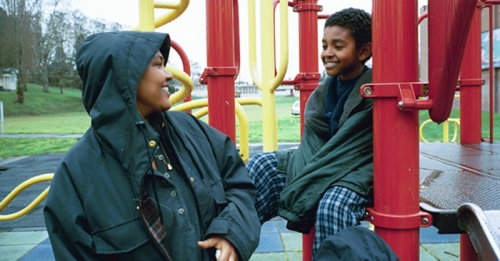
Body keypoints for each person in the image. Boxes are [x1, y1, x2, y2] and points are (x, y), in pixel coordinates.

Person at [43, 31, 260, 261]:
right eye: (158, 65)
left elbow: (239, 186)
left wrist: (231, 234)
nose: (168, 76)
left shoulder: (193, 132)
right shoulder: (76, 176)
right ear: (124, 78)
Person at [246, 7, 373, 259]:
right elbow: (315, 140)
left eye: (338, 46)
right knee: (259, 166)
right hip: (321, 160)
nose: (327, 53)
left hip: (357, 167)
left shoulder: (374, 90)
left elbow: (353, 147)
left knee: (332, 206)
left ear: (363, 51)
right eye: (324, 45)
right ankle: (229, 245)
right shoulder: (326, 89)